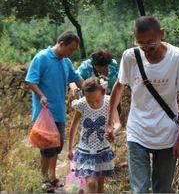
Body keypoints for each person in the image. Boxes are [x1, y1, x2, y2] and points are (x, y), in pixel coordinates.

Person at [106, 16, 179, 193]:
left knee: (162, 189)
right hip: (137, 131)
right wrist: (110, 121)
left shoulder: (178, 57)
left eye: (151, 43)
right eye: (141, 44)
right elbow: (119, 87)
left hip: (167, 133)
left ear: (161, 34)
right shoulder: (130, 56)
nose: (147, 49)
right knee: (138, 189)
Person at [25, 31, 84, 192]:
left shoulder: (66, 62)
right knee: (46, 149)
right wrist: (42, 95)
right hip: (43, 114)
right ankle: (45, 179)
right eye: (70, 49)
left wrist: (94, 88)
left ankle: (52, 177)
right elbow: (31, 80)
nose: (71, 53)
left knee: (57, 147)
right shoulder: (42, 57)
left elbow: (77, 79)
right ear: (62, 44)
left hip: (59, 112)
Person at [68, 77, 121, 193]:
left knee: (100, 186)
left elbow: (117, 123)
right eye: (89, 100)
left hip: (103, 150)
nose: (93, 103)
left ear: (103, 93)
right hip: (85, 151)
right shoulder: (81, 104)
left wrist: (113, 132)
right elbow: (74, 126)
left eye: (96, 100)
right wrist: (70, 148)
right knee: (92, 183)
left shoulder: (109, 102)